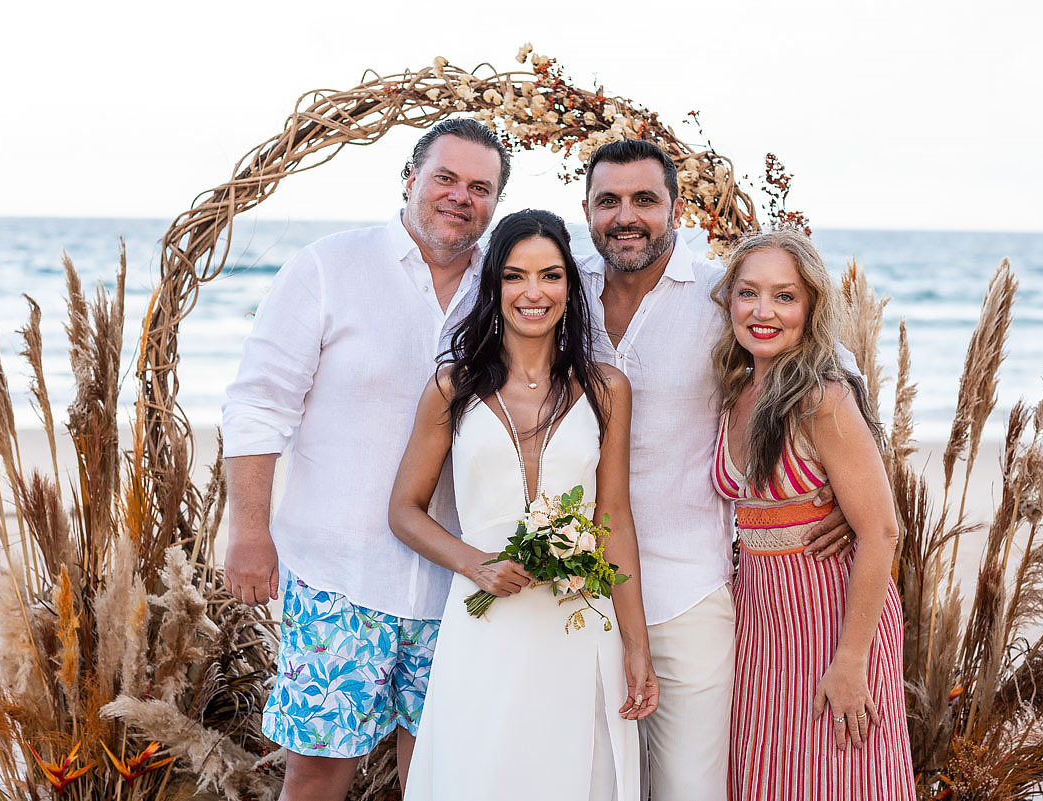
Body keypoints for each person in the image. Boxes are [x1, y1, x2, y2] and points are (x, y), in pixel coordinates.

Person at [221, 118, 510, 801]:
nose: (459, 196)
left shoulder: (504, 290)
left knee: (440, 771)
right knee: (319, 772)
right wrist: (249, 531)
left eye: (479, 186)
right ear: (410, 179)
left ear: (494, 203)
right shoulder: (328, 267)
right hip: (336, 577)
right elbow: (259, 403)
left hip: (457, 583)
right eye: (445, 178)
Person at [577, 139, 859, 801]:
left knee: (688, 788)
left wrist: (846, 498)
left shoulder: (718, 294)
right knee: (590, 782)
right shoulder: (565, 293)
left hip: (690, 591)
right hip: (579, 588)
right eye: (609, 200)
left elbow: (838, 366)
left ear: (676, 207)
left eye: (645, 199)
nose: (627, 215)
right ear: (586, 210)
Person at [389, 209, 658, 800]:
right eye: (515, 276)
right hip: (486, 617)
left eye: (551, 276)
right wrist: (472, 561)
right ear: (494, 287)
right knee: (484, 771)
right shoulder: (452, 388)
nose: (533, 293)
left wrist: (636, 644)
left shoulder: (607, 388)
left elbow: (612, 518)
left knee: (574, 773)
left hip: (579, 618)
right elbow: (404, 510)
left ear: (570, 286)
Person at [709, 229, 916, 799]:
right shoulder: (735, 392)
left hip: (830, 612)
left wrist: (852, 661)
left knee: (838, 776)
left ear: (810, 306)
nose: (763, 311)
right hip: (759, 614)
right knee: (766, 770)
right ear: (729, 300)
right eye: (748, 293)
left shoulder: (821, 397)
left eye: (784, 295)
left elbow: (880, 531)